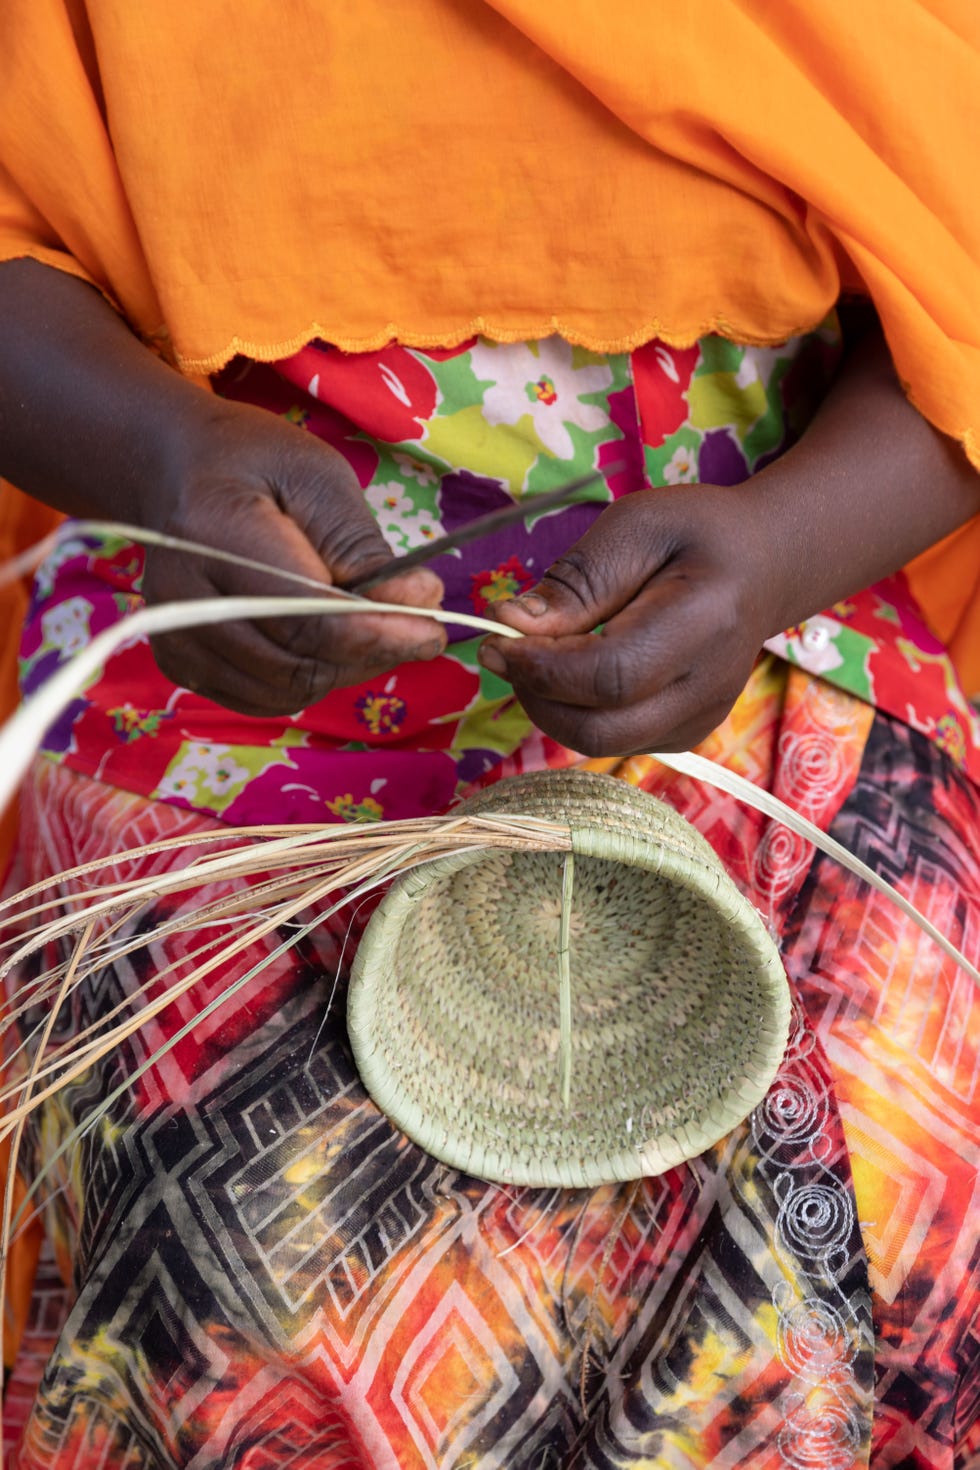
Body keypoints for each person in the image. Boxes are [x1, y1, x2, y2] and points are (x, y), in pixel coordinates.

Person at [0, 3, 978, 1465]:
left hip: (784, 658)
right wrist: (161, 453)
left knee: (875, 1233)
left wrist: (779, 547)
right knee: (211, 1296)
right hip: (210, 658)